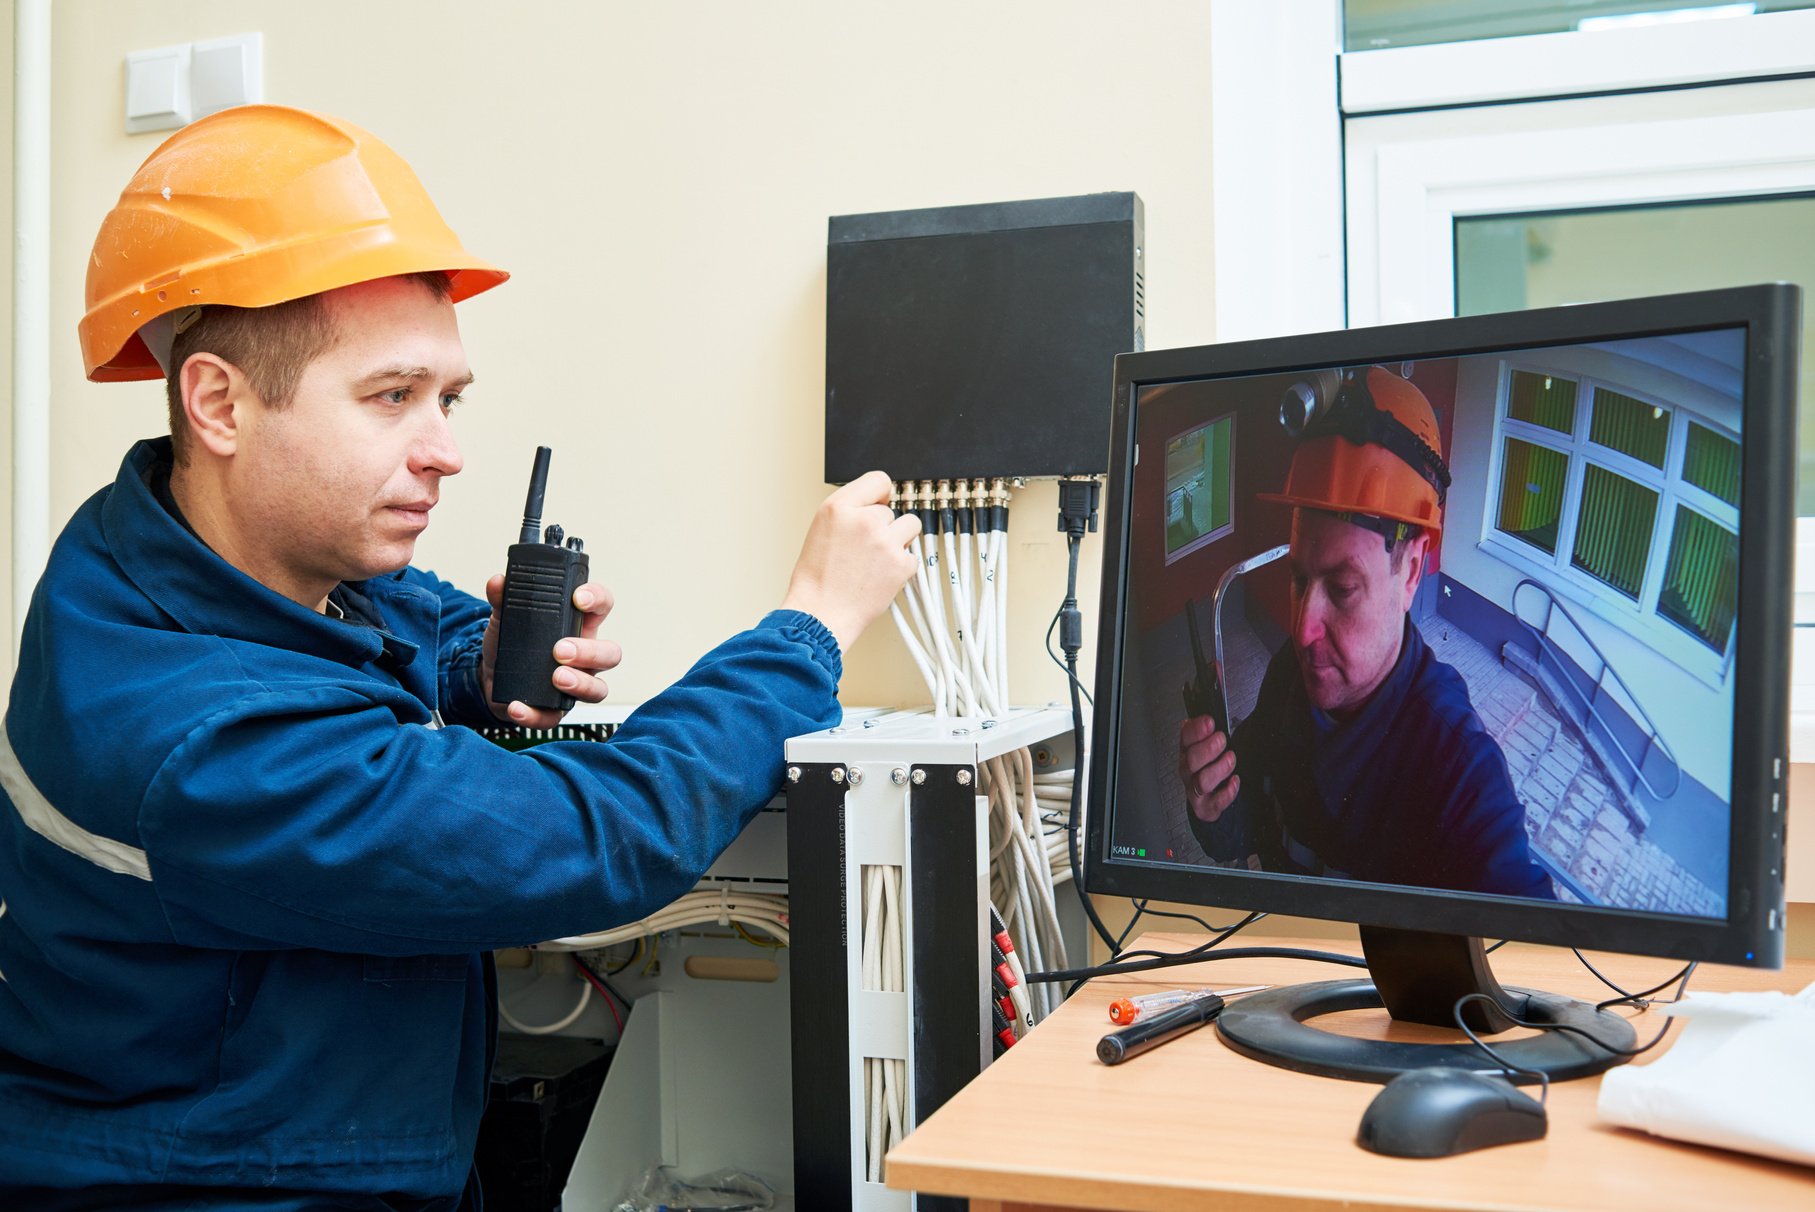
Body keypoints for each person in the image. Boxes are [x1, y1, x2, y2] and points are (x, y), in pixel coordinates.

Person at [0, 105, 920, 1209]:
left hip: (310, 1136)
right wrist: (808, 627)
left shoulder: (141, 553)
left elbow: (380, 609)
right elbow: (600, 835)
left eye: (448, 398)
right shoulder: (204, 739)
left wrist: (475, 665)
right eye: (392, 398)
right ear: (220, 403)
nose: (444, 452)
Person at [1177, 367, 1555, 900]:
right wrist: (1212, 807)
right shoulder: (1289, 676)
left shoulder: (1457, 773)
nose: (1302, 630)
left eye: (1343, 588)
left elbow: (1530, 954)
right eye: (1299, 578)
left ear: (1413, 569)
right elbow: (1248, 832)